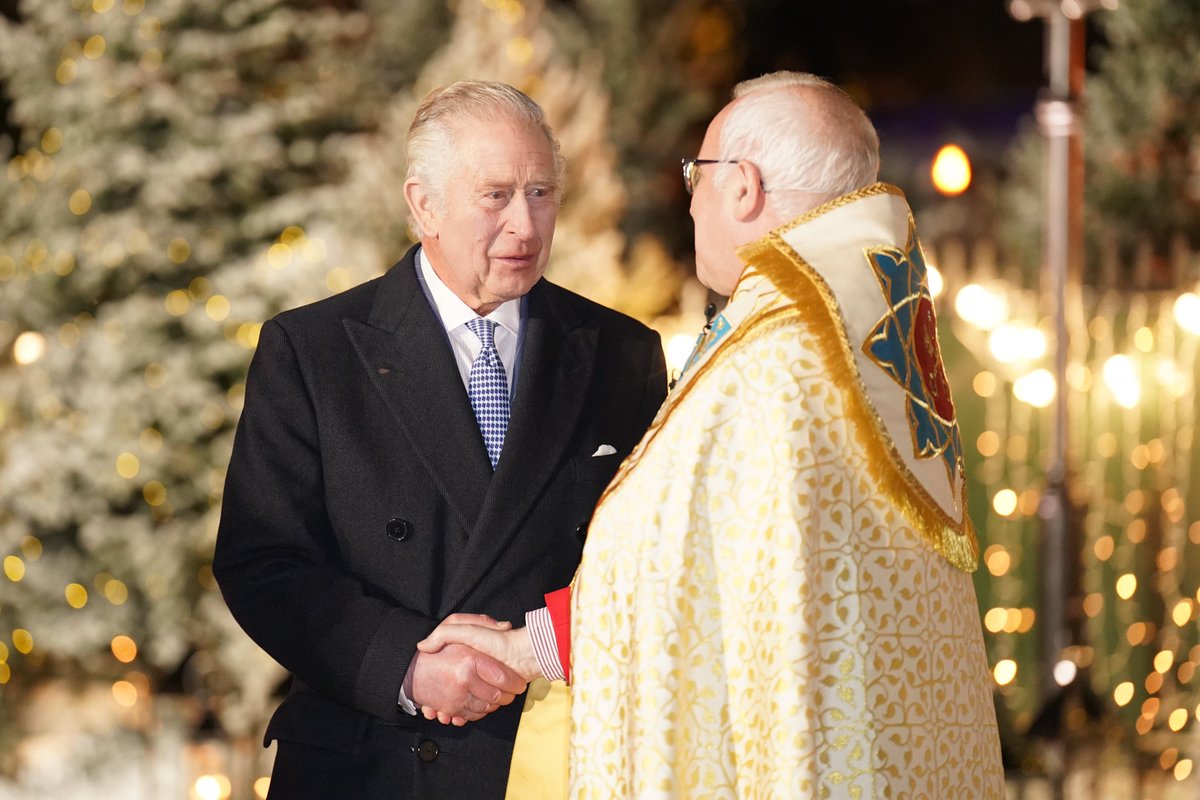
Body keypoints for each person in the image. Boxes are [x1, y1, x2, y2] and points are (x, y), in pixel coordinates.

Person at [420, 71, 1005, 798]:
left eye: (698, 174)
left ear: (742, 187)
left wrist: (522, 646)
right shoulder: (861, 334)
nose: (690, 200)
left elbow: (675, 569)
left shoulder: (772, 363)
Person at [212, 79, 667, 799]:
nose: (525, 224)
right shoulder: (313, 349)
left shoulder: (620, 354)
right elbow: (262, 560)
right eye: (496, 196)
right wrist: (405, 667)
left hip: (544, 763)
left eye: (541, 193)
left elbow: (652, 563)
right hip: (368, 762)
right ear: (423, 204)